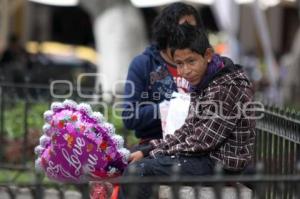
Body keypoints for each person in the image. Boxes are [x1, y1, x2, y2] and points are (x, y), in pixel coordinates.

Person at [118, 24, 256, 199]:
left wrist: (152, 154)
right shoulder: (205, 80)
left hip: (219, 164)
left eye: (191, 61)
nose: (186, 71)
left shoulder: (226, 86)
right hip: (203, 156)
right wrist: (146, 150)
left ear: (207, 55)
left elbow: (201, 142)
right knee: (133, 156)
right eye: (180, 64)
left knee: (139, 171)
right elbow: (187, 130)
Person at [121, 3, 205, 150]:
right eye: (183, 27)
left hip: (198, 145)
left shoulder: (204, 61)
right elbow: (129, 116)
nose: (189, 33)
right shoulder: (144, 64)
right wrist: (169, 108)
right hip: (153, 145)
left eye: (193, 28)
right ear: (167, 29)